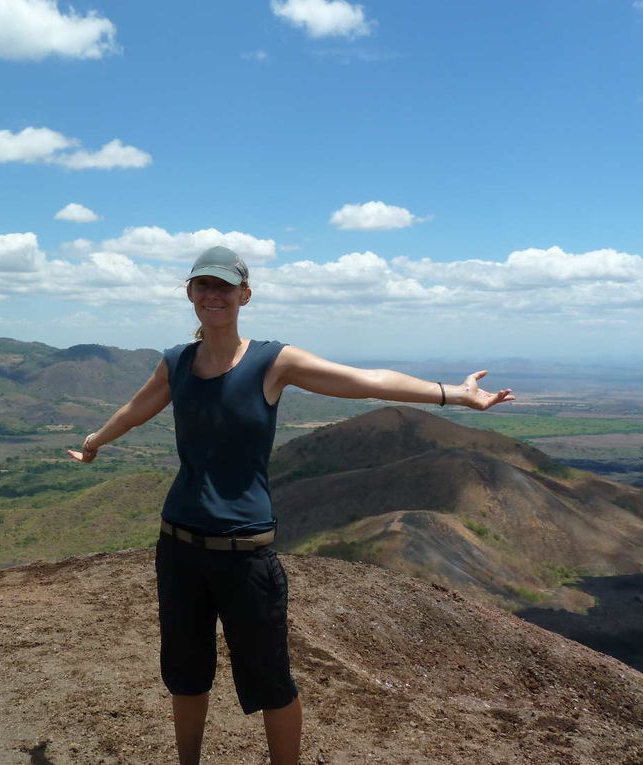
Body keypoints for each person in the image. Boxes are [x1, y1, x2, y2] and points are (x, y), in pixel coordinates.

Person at [68, 244, 514, 765]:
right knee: (186, 677)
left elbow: (365, 383)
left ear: (244, 295)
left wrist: (455, 395)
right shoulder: (176, 364)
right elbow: (135, 410)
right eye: (203, 285)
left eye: (223, 286)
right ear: (190, 294)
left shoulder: (272, 362)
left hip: (246, 555)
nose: (213, 295)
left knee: (272, 683)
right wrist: (96, 442)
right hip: (179, 547)